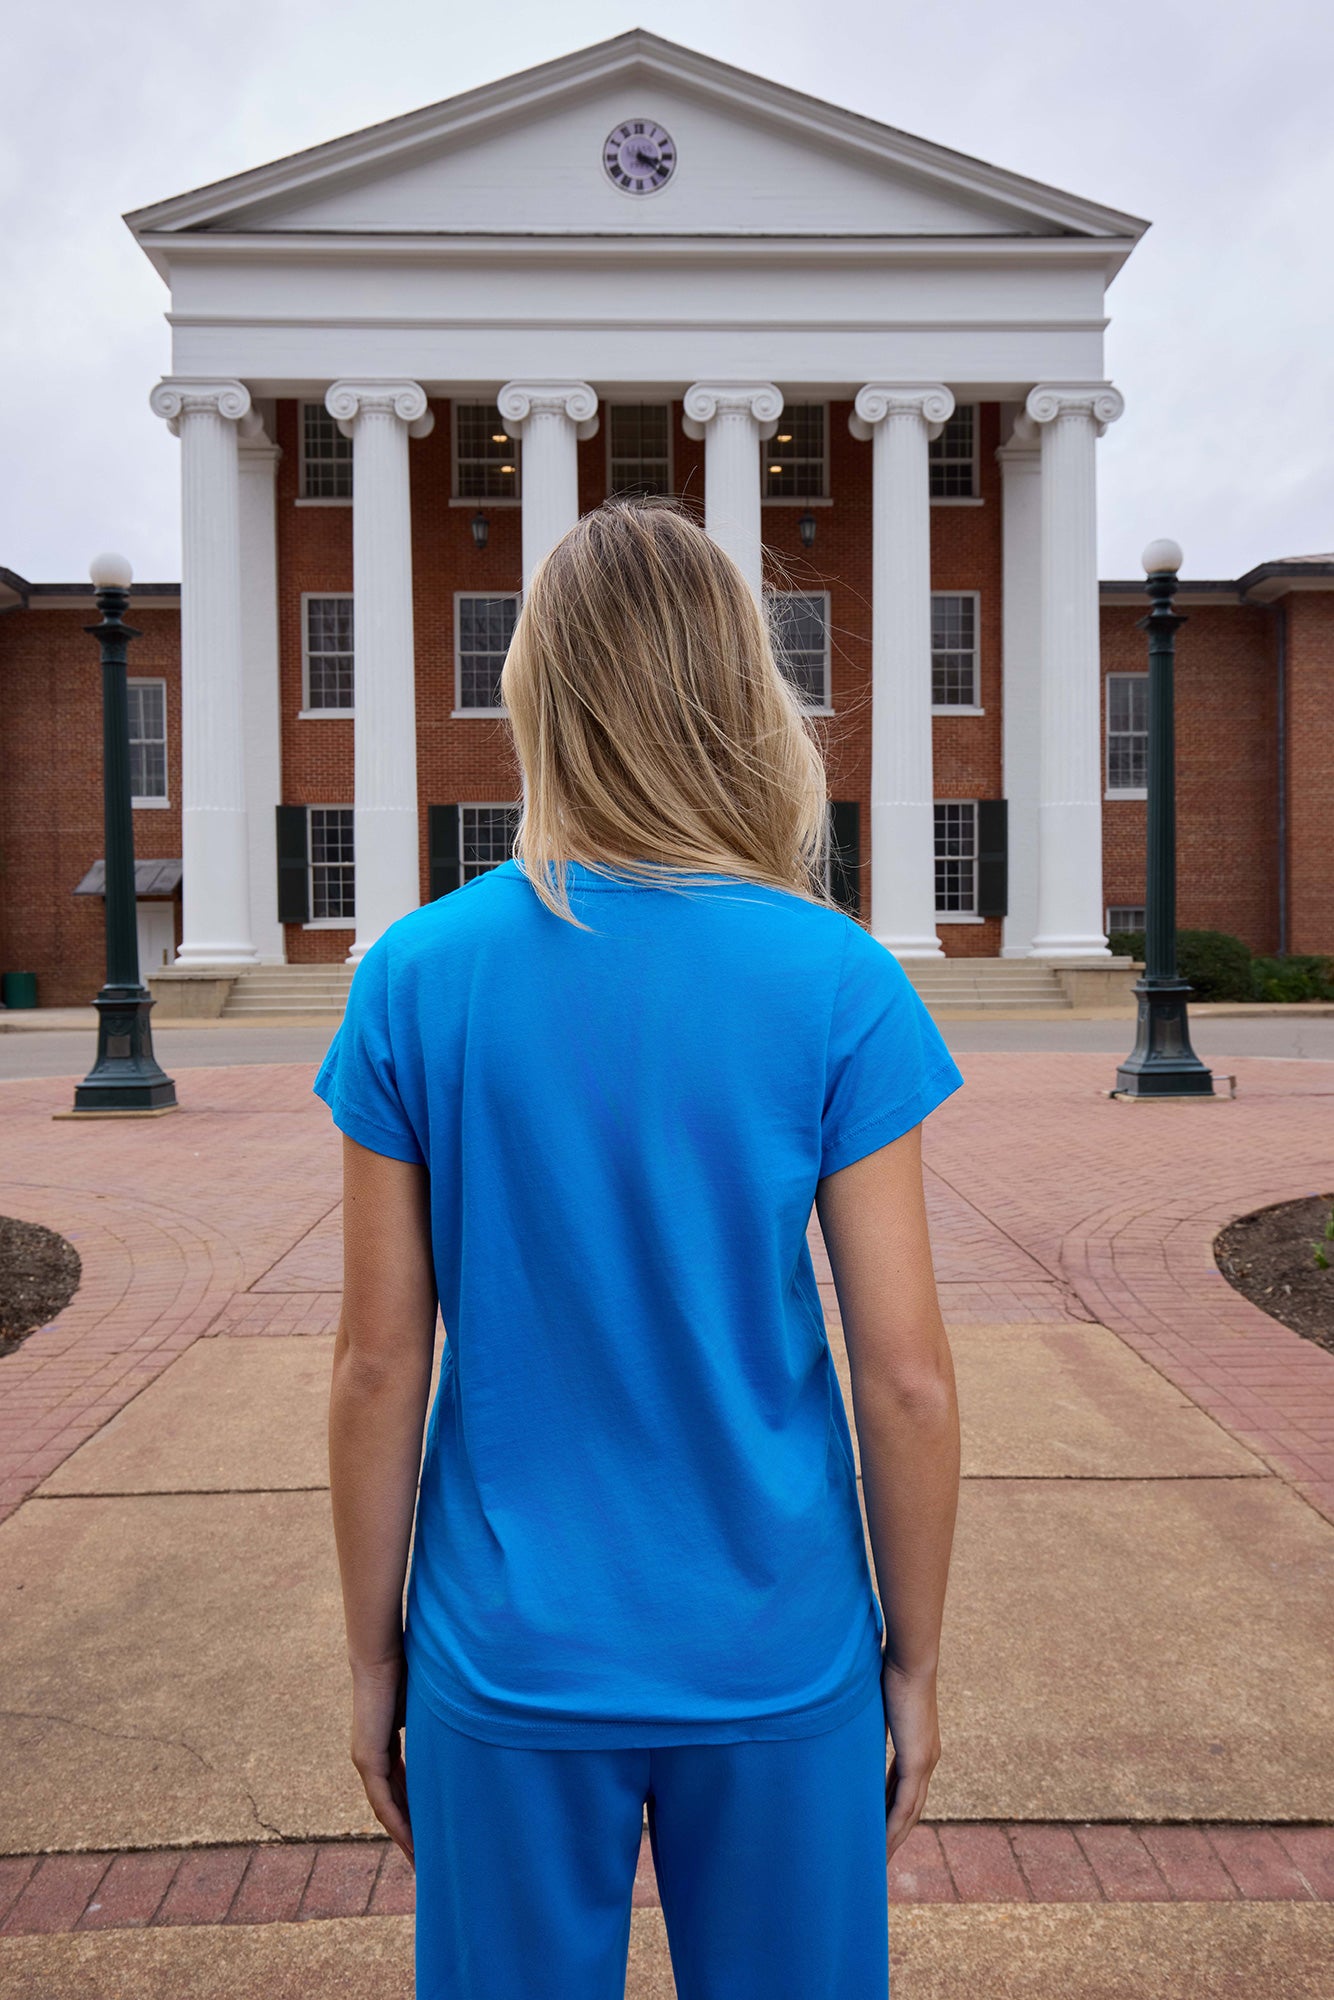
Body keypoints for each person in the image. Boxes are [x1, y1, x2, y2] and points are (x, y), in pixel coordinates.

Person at [314, 498, 964, 2000]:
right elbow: (907, 1377)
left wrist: (372, 1662)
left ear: (536, 695)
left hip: (504, 1651)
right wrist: (913, 1664)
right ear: (740, 695)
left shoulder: (413, 974)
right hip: (778, 1644)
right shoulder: (837, 977)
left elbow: (373, 1368)